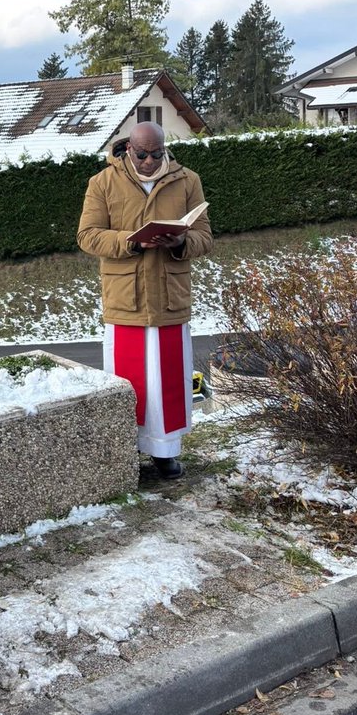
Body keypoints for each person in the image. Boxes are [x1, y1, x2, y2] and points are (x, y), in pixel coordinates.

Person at [77, 121, 212, 479]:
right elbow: (88, 236)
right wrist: (132, 242)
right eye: (142, 154)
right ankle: (129, 450)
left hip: (170, 295)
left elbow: (205, 236)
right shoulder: (102, 183)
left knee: (168, 380)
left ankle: (165, 452)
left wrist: (181, 242)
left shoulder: (188, 181)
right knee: (130, 379)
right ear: (128, 150)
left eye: (157, 153)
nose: (150, 161)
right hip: (126, 298)